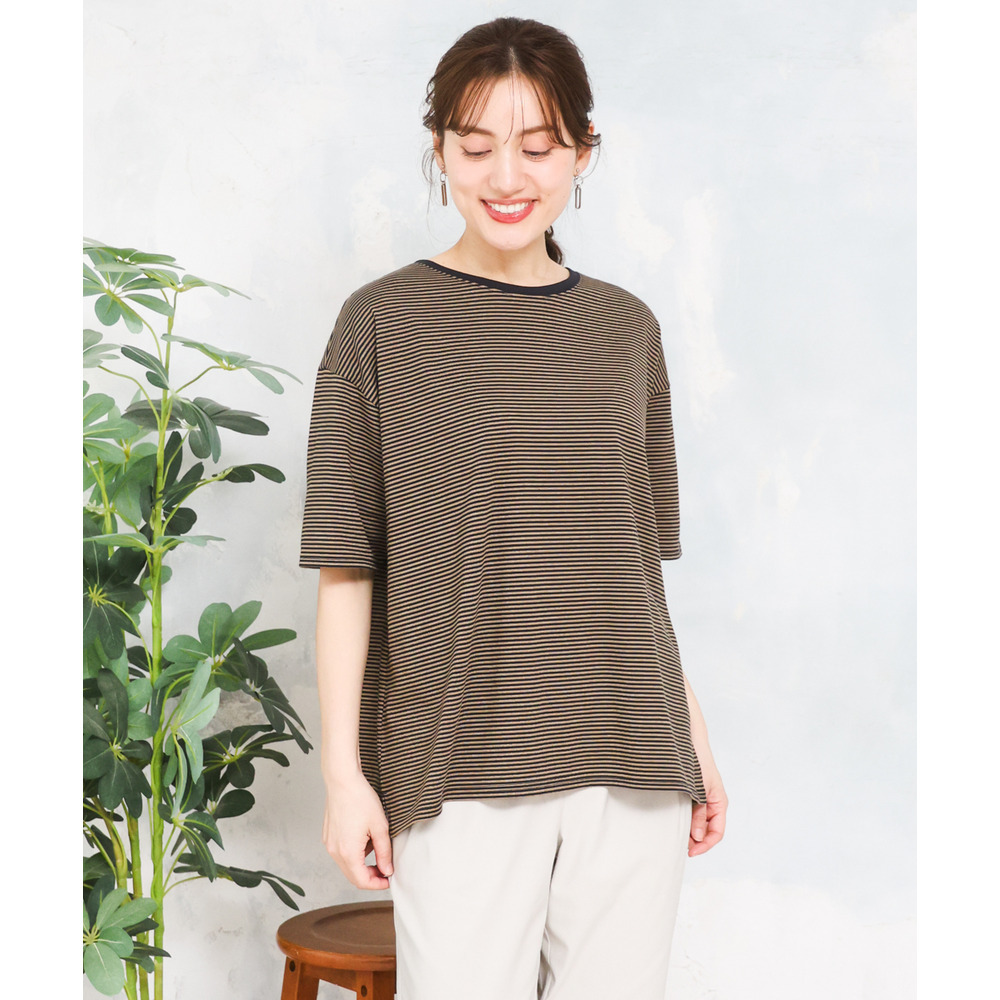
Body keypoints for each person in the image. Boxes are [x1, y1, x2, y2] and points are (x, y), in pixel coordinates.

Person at [300, 16, 728, 1000]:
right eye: (475, 146)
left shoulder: (625, 330)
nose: (505, 177)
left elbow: (629, 576)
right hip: (456, 767)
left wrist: (695, 744)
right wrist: (344, 778)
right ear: (439, 149)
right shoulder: (380, 325)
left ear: (582, 151)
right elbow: (346, 567)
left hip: (633, 761)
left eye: (537, 147)